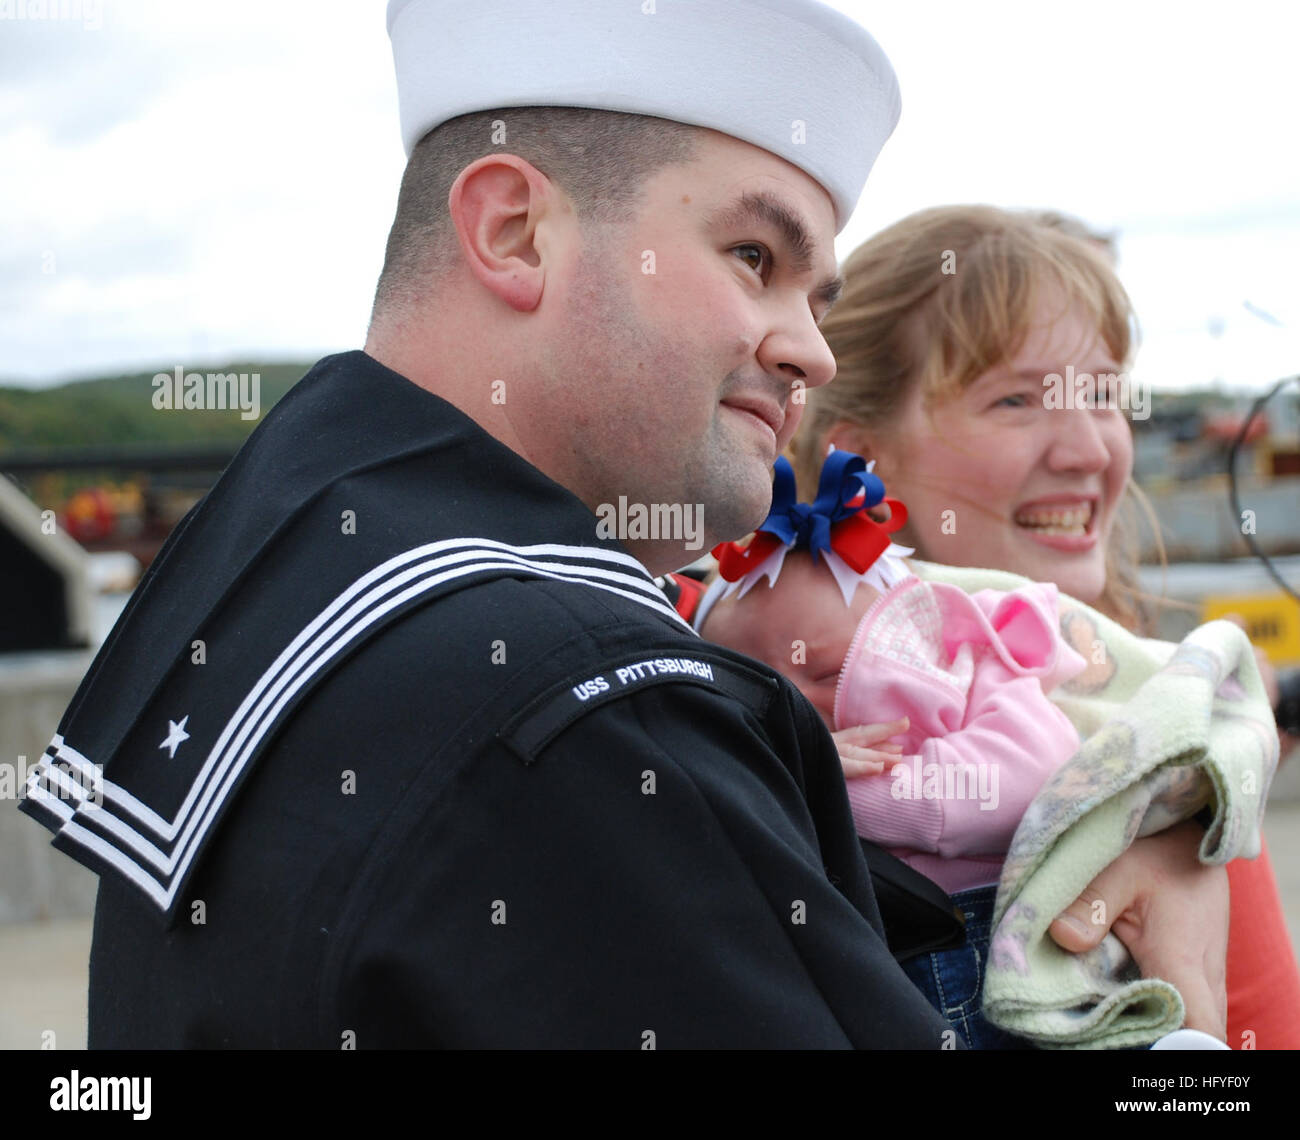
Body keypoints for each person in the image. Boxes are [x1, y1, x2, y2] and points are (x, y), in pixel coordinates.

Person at [17, 2, 1225, 1049]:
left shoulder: (290, 542)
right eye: (754, 255)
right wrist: (1196, 1031)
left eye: (817, 294)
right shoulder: (586, 708)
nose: (810, 346)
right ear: (511, 231)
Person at [788, 203, 1300, 1048]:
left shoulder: (1176, 757)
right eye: (1017, 399)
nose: (1090, 450)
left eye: (1101, 394)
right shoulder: (714, 694)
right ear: (859, 466)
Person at [700, 451, 1091, 1048]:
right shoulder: (735, 760)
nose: (793, 705)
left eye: (829, 674)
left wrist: (838, 789)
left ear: (919, 654)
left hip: (997, 947)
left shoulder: (973, 672)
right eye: (757, 680)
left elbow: (1034, 775)